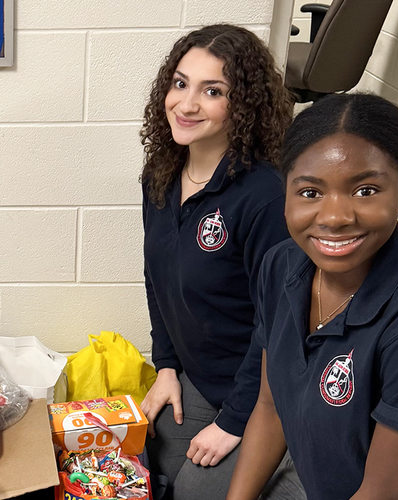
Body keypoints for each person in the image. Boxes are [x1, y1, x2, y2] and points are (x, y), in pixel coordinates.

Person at [227, 94, 398, 499]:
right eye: (310, 192)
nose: (335, 217)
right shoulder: (281, 265)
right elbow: (271, 410)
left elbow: (384, 494)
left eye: (365, 190)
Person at [138, 24, 303, 499]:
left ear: (244, 105)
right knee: (151, 467)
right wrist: (166, 366)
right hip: (201, 377)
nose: (187, 104)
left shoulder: (265, 196)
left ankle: (290, 463)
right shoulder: (161, 174)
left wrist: (235, 421)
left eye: (213, 92)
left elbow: (278, 322)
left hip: (265, 395)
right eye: (180, 83)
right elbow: (157, 276)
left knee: (193, 492)